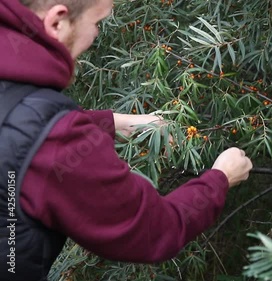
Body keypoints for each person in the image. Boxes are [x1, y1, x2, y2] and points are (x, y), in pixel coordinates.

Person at [0, 0, 253, 280]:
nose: (95, 35)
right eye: (95, 23)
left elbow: (17, 124)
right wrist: (220, 179)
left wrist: (114, 122)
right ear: (57, 22)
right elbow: (153, 230)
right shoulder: (53, 141)